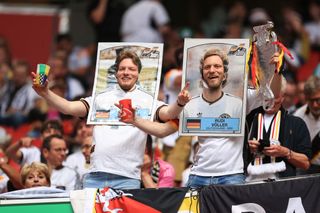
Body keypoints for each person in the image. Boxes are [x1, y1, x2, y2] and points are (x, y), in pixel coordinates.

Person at [122, 48, 283, 188]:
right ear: (202, 73)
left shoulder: (241, 99)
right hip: (198, 177)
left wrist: (277, 71)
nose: (212, 70)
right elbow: (163, 130)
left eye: (217, 66)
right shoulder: (190, 103)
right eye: (207, 67)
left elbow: (273, 95)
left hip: (231, 177)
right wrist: (135, 120)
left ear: (224, 72)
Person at [32, 49, 189, 190]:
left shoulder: (148, 100)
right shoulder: (101, 98)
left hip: (127, 178)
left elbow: (169, 113)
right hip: (95, 176)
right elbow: (68, 108)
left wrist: (180, 102)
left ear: (138, 74)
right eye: (122, 69)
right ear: (116, 73)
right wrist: (45, 93)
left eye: (131, 69)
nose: (126, 72)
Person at [247, 77, 312, 181]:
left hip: (282, 186)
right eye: (267, 96)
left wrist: (285, 152)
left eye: (275, 97)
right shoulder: (249, 119)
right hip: (251, 183)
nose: (270, 101)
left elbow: (306, 163)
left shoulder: (296, 123)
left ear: (283, 97)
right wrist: (248, 148)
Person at [294, 75, 320, 173]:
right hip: (306, 168)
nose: (315, 105)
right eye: (311, 100)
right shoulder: (298, 116)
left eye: (318, 100)